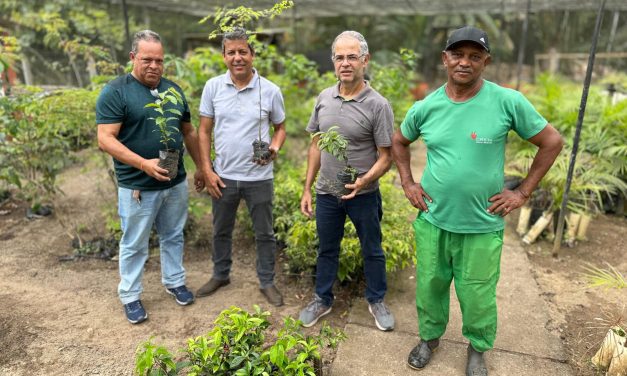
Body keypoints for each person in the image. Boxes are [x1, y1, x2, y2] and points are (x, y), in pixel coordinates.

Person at [391, 26, 564, 375]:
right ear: (445, 59)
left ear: (486, 60)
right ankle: (429, 339)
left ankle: (477, 349)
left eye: (474, 55)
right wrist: (408, 183)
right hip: (434, 217)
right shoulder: (426, 106)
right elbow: (398, 141)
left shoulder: (506, 101)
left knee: (478, 294)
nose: (464, 62)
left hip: (482, 223)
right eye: (457, 54)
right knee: (430, 285)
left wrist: (522, 192)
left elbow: (552, 141)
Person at [96, 30, 203, 324]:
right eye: (147, 60)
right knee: (134, 243)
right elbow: (105, 139)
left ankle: (174, 281)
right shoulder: (116, 91)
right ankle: (130, 295)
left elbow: (189, 131)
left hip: (175, 182)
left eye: (159, 60)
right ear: (133, 58)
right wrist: (143, 164)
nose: (154, 66)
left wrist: (202, 168)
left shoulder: (173, 91)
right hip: (138, 187)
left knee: (173, 234)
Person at [299, 31, 395, 331]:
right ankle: (322, 299)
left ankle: (376, 299)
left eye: (352, 57)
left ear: (364, 61)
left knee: (372, 248)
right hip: (327, 192)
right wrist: (307, 188)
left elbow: (386, 156)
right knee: (327, 248)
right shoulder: (324, 98)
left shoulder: (378, 105)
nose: (345, 63)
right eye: (339, 57)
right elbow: (316, 145)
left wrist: (364, 181)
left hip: (363, 194)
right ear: (333, 62)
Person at [196, 27, 286, 307]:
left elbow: (281, 127)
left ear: (252, 54)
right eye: (232, 52)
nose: (238, 57)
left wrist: (274, 148)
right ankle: (221, 274)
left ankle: (267, 281)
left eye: (243, 52)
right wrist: (207, 169)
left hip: (259, 177)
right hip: (223, 175)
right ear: (224, 56)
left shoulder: (270, 90)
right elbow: (203, 132)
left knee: (264, 233)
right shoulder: (213, 87)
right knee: (221, 229)